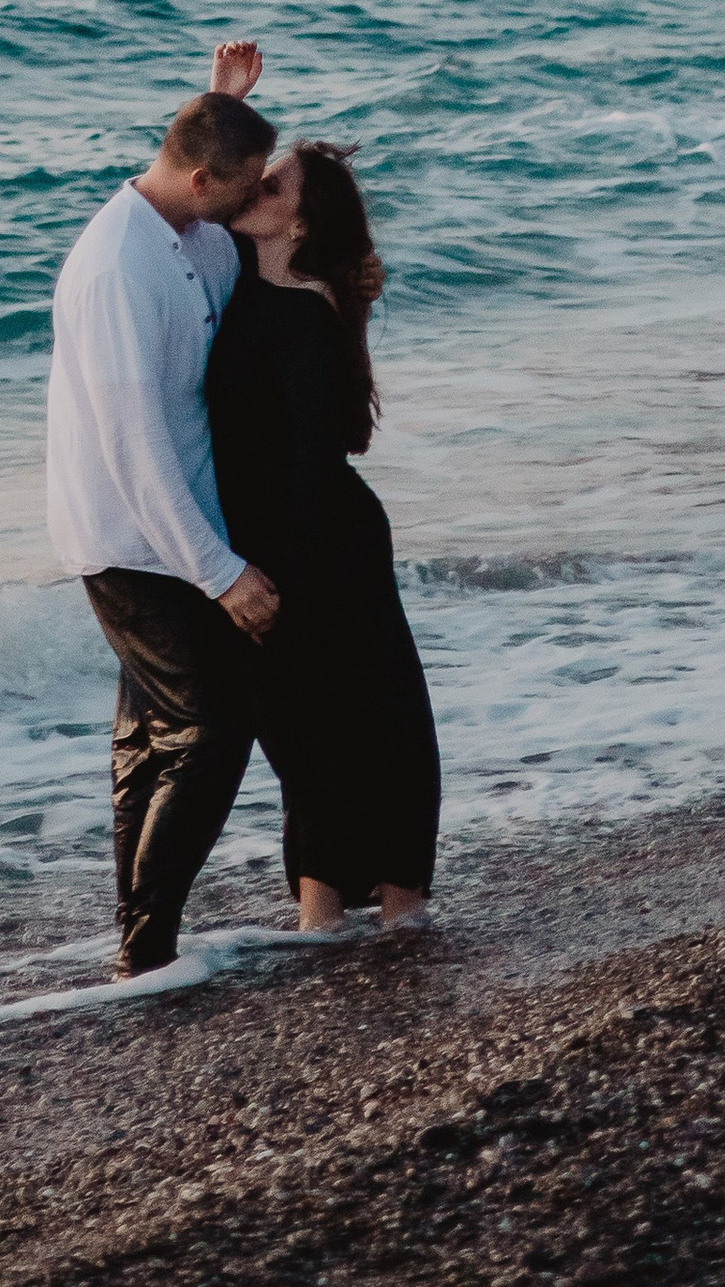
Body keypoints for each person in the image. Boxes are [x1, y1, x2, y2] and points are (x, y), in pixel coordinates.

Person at [45, 42, 280, 977]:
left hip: (177, 524)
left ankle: (141, 948)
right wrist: (221, 575)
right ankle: (147, 946)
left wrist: (221, 103)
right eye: (245, 185)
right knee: (213, 728)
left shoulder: (191, 227)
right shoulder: (116, 269)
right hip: (128, 536)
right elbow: (131, 445)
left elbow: (205, 156)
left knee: (152, 738)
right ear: (200, 182)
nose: (257, 198)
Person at [206, 138, 439, 931]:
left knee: (369, 718)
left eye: (272, 185)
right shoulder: (246, 273)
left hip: (322, 542)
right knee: (304, 731)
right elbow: (190, 181)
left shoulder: (304, 310)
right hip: (283, 535)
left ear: (300, 224)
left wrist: (276, 572)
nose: (253, 188)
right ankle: (325, 915)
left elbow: (321, 452)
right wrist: (221, 96)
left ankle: (396, 907)